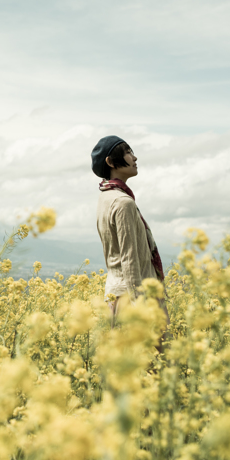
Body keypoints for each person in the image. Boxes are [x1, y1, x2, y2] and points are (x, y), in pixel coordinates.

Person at [91, 135, 169, 337]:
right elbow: (128, 258)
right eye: (127, 152)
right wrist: (139, 304)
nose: (134, 158)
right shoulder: (123, 202)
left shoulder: (105, 197)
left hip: (117, 293)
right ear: (110, 161)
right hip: (134, 295)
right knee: (155, 364)